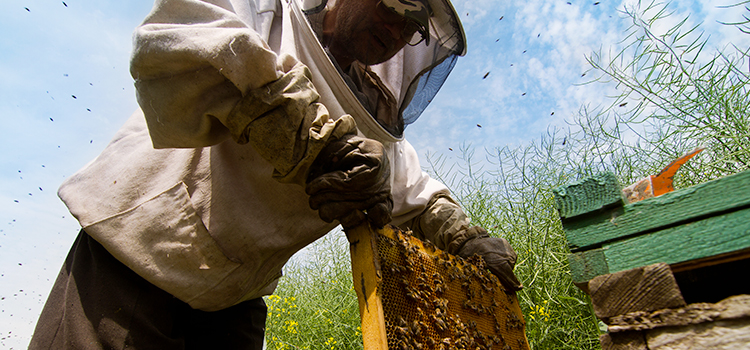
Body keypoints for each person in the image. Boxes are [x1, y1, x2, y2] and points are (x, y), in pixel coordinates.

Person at [30, 0, 522, 348]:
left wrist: (465, 239)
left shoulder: (377, 118)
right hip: (139, 258)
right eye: (394, 4)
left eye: (414, 27)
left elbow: (414, 195)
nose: (398, 30)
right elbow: (181, 40)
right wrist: (308, 140)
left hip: (234, 302)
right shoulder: (269, 13)